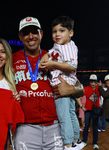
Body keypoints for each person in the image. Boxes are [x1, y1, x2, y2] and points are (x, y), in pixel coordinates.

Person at [13, 16, 84, 150]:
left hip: (55, 126)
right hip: (25, 127)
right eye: (25, 33)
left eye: (34, 32)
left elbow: (80, 88)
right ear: (20, 37)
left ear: (41, 34)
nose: (30, 36)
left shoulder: (55, 55)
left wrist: (72, 90)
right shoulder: (12, 60)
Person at [38, 16, 82, 150]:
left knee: (64, 116)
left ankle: (68, 143)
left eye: (62, 30)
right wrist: (45, 60)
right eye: (54, 31)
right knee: (70, 114)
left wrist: (52, 64)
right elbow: (49, 54)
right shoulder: (58, 46)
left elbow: (72, 66)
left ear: (71, 33)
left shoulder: (68, 47)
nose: (57, 34)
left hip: (62, 85)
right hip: (66, 85)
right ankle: (75, 139)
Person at [82, 74, 100, 149]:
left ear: (96, 82)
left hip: (96, 111)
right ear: (89, 82)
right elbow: (80, 96)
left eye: (94, 82)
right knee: (86, 126)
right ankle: (84, 141)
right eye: (91, 82)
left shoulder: (99, 89)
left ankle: (95, 143)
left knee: (95, 127)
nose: (93, 83)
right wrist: (81, 107)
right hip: (88, 110)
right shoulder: (86, 89)